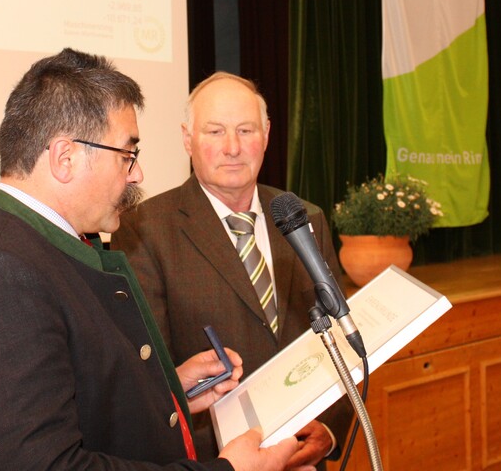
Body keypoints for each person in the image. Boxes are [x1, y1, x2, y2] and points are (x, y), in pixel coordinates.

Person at [0, 49, 306, 471]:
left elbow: (77, 405)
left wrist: (168, 391)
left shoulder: (32, 251)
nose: (137, 174)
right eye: (127, 155)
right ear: (65, 158)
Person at [113, 72, 352, 469]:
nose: (233, 148)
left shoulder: (305, 218)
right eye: (215, 132)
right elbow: (148, 379)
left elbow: (343, 341)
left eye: (245, 130)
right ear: (188, 139)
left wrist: (329, 433)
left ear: (267, 134)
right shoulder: (143, 229)